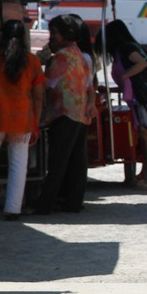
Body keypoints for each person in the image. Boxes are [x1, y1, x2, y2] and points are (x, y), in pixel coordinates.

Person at [0, 20, 45, 219]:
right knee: (18, 163)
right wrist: (36, 122)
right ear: (24, 37)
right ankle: (13, 209)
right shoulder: (32, 61)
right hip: (22, 119)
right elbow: (39, 96)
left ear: (0, 36)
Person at [25, 15, 94, 216]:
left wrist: (39, 63)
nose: (51, 38)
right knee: (76, 161)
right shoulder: (80, 55)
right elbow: (89, 85)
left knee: (57, 162)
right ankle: (72, 202)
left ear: (65, 35)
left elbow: (47, 85)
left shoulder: (61, 57)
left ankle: (44, 204)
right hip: (80, 113)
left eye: (54, 33)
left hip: (63, 113)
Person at [98, 20, 147, 190]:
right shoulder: (127, 47)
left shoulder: (127, 48)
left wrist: (125, 75)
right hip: (141, 98)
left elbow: (142, 63)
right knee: (146, 136)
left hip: (143, 99)